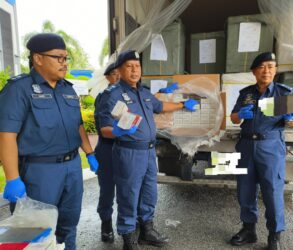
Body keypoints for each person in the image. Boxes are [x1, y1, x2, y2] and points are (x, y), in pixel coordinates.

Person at [0, 33, 99, 250]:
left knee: (69, 224)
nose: (64, 63)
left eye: (66, 58)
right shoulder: (18, 89)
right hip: (39, 171)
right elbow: (6, 135)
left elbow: (78, 125)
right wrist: (13, 178)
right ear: (38, 58)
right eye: (59, 58)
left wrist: (90, 154)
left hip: (72, 168)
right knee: (36, 232)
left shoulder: (68, 90)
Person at [98, 50, 198, 250]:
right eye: (129, 66)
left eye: (137, 66)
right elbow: (104, 129)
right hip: (129, 152)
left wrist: (182, 104)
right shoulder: (112, 95)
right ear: (119, 70)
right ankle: (128, 237)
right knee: (129, 193)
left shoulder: (143, 93)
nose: (135, 70)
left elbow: (160, 106)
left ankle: (147, 230)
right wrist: (116, 131)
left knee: (149, 192)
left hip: (149, 151)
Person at [230, 52, 293, 250]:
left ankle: (274, 236)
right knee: (245, 189)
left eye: (271, 66)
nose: (266, 70)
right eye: (262, 67)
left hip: (270, 147)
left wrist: (291, 119)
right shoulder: (246, 93)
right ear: (254, 71)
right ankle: (249, 229)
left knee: (272, 191)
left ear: (275, 70)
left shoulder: (284, 93)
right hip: (245, 146)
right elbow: (234, 118)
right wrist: (239, 114)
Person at [94, 61, 120, 243]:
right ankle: (106, 224)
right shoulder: (104, 97)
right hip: (107, 149)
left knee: (130, 189)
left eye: (120, 72)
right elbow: (103, 127)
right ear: (107, 77)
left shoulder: (131, 93)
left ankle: (131, 225)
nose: (118, 76)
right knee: (107, 190)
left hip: (127, 149)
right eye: (114, 73)